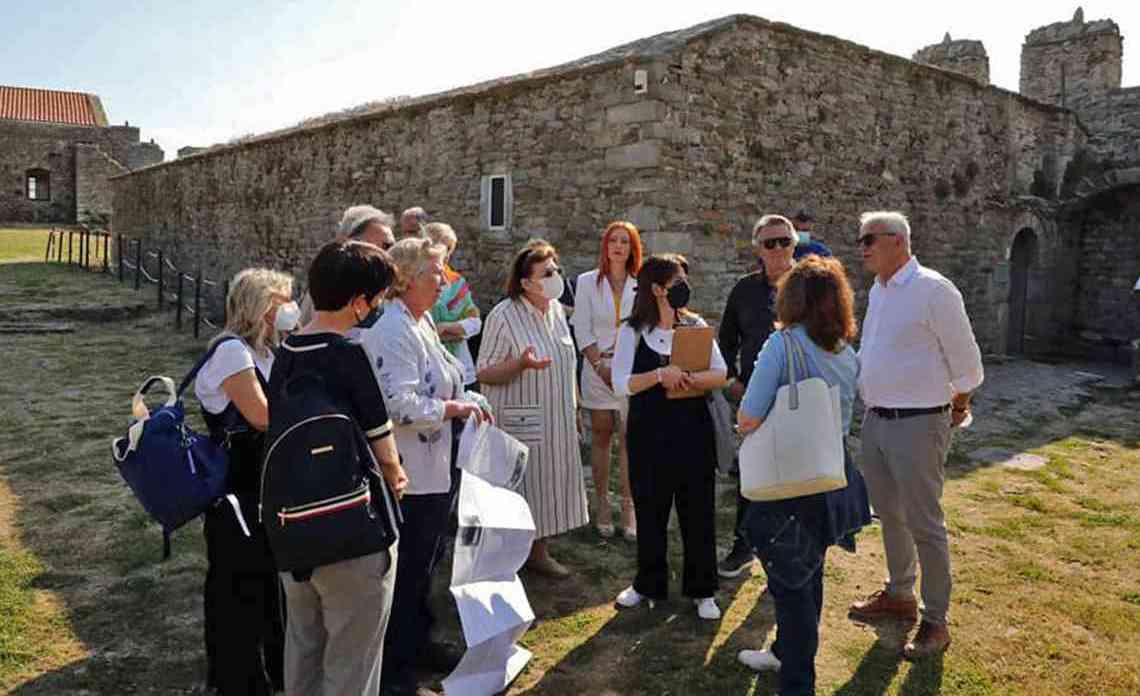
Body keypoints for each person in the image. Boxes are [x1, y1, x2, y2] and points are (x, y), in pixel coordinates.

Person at [273, 240, 407, 695]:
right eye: (378, 297)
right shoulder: (348, 354)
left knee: (304, 650)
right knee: (352, 662)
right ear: (358, 302)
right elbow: (382, 444)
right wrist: (397, 478)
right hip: (352, 526)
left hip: (293, 525)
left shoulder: (287, 351)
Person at [849, 211, 984, 659]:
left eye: (869, 239)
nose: (862, 248)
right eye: (861, 240)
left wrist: (957, 406)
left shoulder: (934, 289)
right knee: (889, 514)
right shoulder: (880, 289)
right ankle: (899, 594)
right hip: (876, 420)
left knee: (925, 522)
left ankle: (936, 620)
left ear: (897, 240)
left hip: (920, 422)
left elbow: (968, 366)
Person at [734, 255, 871, 695]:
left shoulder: (783, 344)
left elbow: (749, 415)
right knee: (810, 574)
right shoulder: (846, 352)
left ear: (791, 298)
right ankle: (784, 653)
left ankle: (797, 683)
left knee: (791, 586)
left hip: (789, 481)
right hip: (830, 475)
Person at [362, 238, 491, 696]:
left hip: (436, 464)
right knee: (407, 568)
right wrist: (454, 409)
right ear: (408, 278)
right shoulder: (392, 329)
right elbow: (398, 403)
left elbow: (448, 377)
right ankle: (394, 668)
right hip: (408, 470)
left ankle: (419, 642)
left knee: (426, 562)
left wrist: (472, 400)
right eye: (436, 272)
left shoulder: (423, 319)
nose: (443, 280)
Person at [611, 253, 727, 621]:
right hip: (648, 432)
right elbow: (620, 383)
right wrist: (661, 376)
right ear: (658, 289)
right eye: (677, 282)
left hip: (693, 430)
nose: (684, 288)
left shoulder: (696, 326)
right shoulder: (632, 331)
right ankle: (648, 583)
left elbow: (721, 372)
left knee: (698, 510)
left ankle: (702, 589)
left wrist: (689, 379)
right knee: (650, 509)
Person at [194, 268, 293, 695]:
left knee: (267, 582)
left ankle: (272, 669)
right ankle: (238, 680)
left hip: (263, 481)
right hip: (237, 486)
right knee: (237, 584)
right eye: (282, 302)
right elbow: (262, 416)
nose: (289, 310)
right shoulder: (232, 351)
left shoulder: (267, 351)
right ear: (261, 306)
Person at [476, 239, 588, 578]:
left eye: (557, 270)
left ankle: (539, 552)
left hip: (557, 416)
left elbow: (568, 363)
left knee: (547, 485)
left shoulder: (556, 311)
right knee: (518, 489)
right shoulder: (504, 315)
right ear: (526, 283)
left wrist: (577, 406)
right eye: (547, 273)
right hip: (520, 419)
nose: (556, 277)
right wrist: (520, 364)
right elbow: (484, 372)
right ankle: (504, 561)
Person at [717, 214, 799, 578]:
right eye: (770, 243)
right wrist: (732, 383)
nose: (778, 248)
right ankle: (744, 545)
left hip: (800, 397)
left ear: (794, 244)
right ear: (758, 249)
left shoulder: (811, 285)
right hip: (754, 396)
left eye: (785, 241)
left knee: (798, 477)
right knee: (751, 475)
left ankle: (791, 550)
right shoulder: (744, 290)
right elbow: (725, 342)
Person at [571, 221, 642, 539]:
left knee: (629, 438)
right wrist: (599, 365)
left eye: (624, 241)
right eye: (613, 240)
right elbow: (581, 326)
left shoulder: (641, 284)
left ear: (632, 248)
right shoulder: (588, 282)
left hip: (630, 370)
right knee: (601, 435)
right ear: (605, 246)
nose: (618, 246)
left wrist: (625, 366)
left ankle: (628, 506)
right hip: (596, 365)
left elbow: (645, 326)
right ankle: (601, 503)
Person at [299, 204, 396, 326]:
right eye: (386, 246)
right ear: (352, 243)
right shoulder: (331, 287)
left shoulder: (380, 290)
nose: (391, 255)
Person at [424, 222, 481, 388]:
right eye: (441, 247)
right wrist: (446, 334)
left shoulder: (457, 282)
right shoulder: (415, 281)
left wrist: (446, 327)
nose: (446, 255)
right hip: (428, 367)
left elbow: (475, 323)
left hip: (460, 365)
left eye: (449, 249)